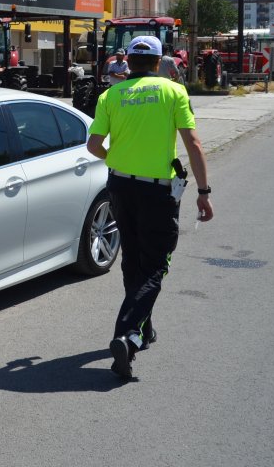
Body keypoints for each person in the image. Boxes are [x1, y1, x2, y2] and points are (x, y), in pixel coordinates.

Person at [85, 35, 214, 380]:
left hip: (120, 186)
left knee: (133, 259)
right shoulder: (173, 92)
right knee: (156, 265)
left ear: (128, 62)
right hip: (157, 192)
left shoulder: (110, 95)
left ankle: (143, 329)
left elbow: (93, 145)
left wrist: (118, 157)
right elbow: (193, 143)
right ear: (160, 63)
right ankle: (126, 334)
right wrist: (203, 190)